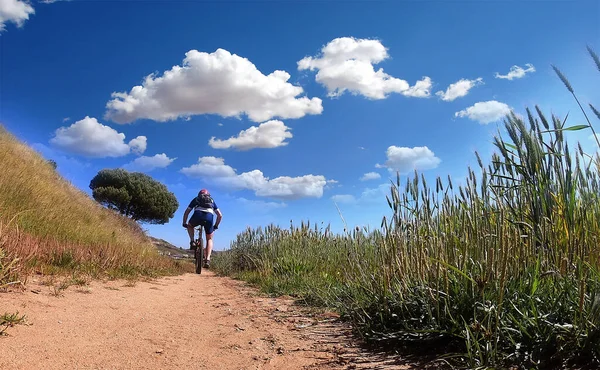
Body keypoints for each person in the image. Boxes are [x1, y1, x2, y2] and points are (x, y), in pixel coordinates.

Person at [182, 189, 222, 268]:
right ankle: (207, 259)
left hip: (197, 216)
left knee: (190, 226)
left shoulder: (196, 199)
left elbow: (187, 212)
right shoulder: (212, 200)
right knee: (209, 239)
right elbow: (220, 215)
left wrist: (184, 223)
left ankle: (192, 241)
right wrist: (216, 226)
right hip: (209, 218)